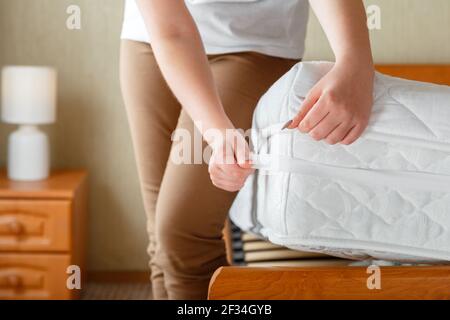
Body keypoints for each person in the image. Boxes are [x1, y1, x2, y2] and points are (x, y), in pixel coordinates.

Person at [120, 0, 374, 300]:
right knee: (163, 240)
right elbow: (172, 30)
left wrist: (355, 62)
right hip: (151, 38)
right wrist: (216, 131)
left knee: (183, 237)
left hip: (256, 44)